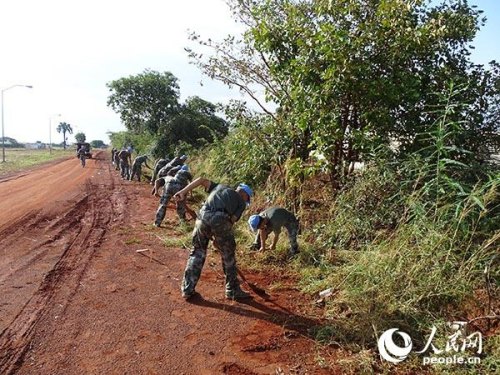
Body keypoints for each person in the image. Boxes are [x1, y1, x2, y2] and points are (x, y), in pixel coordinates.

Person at [174, 178, 253, 300]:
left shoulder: (219, 186)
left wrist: (183, 192)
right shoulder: (241, 203)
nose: (245, 201)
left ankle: (187, 289)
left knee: (197, 252)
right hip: (220, 219)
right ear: (244, 194)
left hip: (202, 217)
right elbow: (231, 220)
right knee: (228, 255)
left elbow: (201, 180)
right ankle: (232, 290)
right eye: (247, 198)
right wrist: (221, 241)